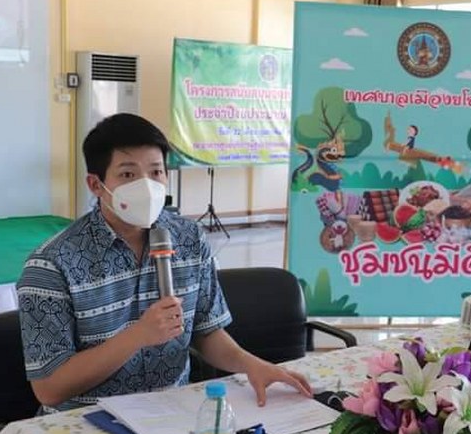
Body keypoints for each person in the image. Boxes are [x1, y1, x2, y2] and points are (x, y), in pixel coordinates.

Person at [17, 113, 312, 413]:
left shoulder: (189, 238)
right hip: (86, 419)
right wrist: (138, 335)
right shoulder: (52, 265)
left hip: (172, 413)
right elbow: (49, 388)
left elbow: (205, 331)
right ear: (96, 184)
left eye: (156, 172)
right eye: (128, 175)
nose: (146, 186)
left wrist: (251, 364)